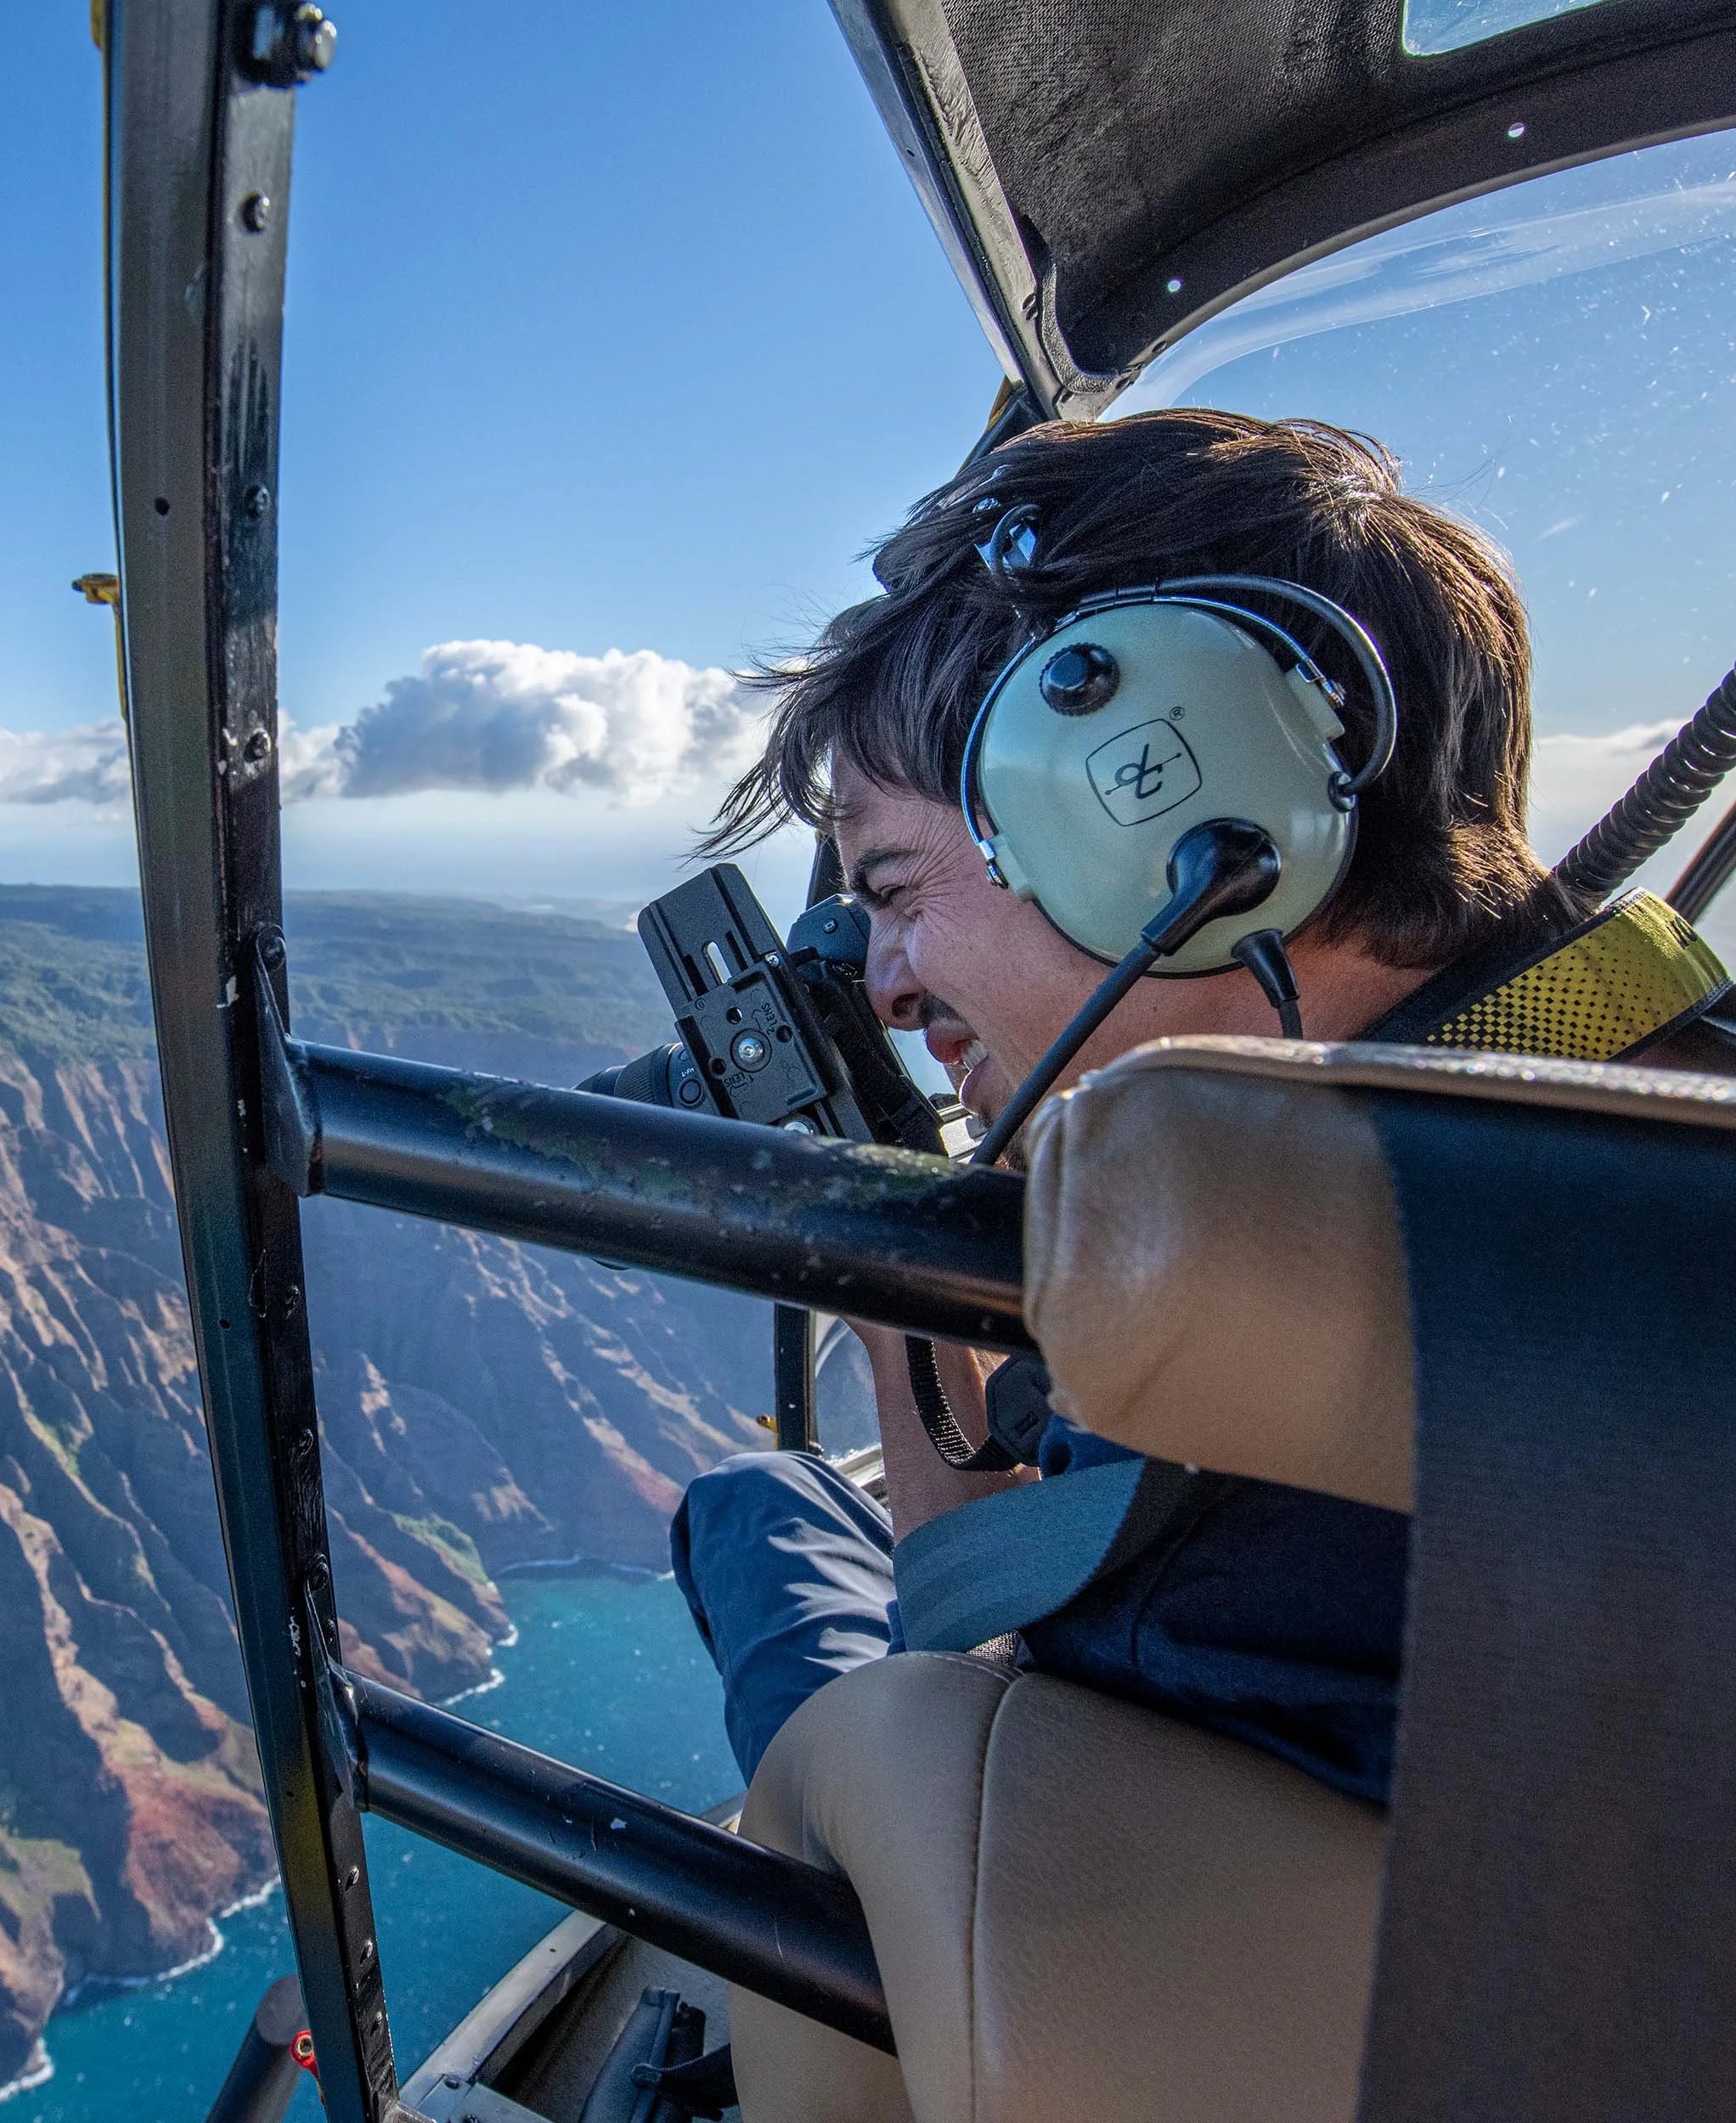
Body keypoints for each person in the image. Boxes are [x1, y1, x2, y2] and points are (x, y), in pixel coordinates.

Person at [668, 408, 1733, 1800]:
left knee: (752, 1517)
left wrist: (891, 1288)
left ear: (1145, 814)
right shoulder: (1610, 1125)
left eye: (890, 893)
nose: (880, 987)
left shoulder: (1310, 1370)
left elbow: (984, 1715)